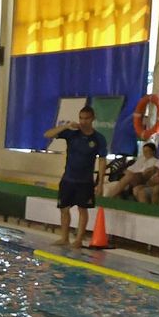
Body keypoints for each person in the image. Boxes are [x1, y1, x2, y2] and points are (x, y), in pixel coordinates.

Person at [42, 105, 107, 247]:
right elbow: (47, 134)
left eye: (86, 118)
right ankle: (64, 238)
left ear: (93, 119)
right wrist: (66, 126)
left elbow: (102, 161)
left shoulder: (98, 138)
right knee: (64, 209)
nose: (83, 121)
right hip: (68, 178)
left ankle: (78, 239)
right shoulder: (72, 133)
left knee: (82, 209)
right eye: (81, 118)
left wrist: (100, 183)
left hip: (85, 180)